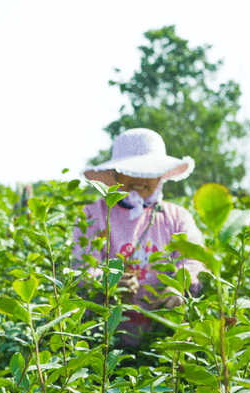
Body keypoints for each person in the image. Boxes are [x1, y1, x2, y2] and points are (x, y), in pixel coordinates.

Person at [72, 128, 207, 346]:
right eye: (130, 169)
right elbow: (80, 268)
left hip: (164, 338)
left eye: (150, 170)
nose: (139, 177)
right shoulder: (94, 215)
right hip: (106, 339)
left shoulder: (176, 217)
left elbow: (195, 261)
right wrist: (105, 282)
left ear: (161, 174)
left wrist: (177, 286)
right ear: (115, 172)